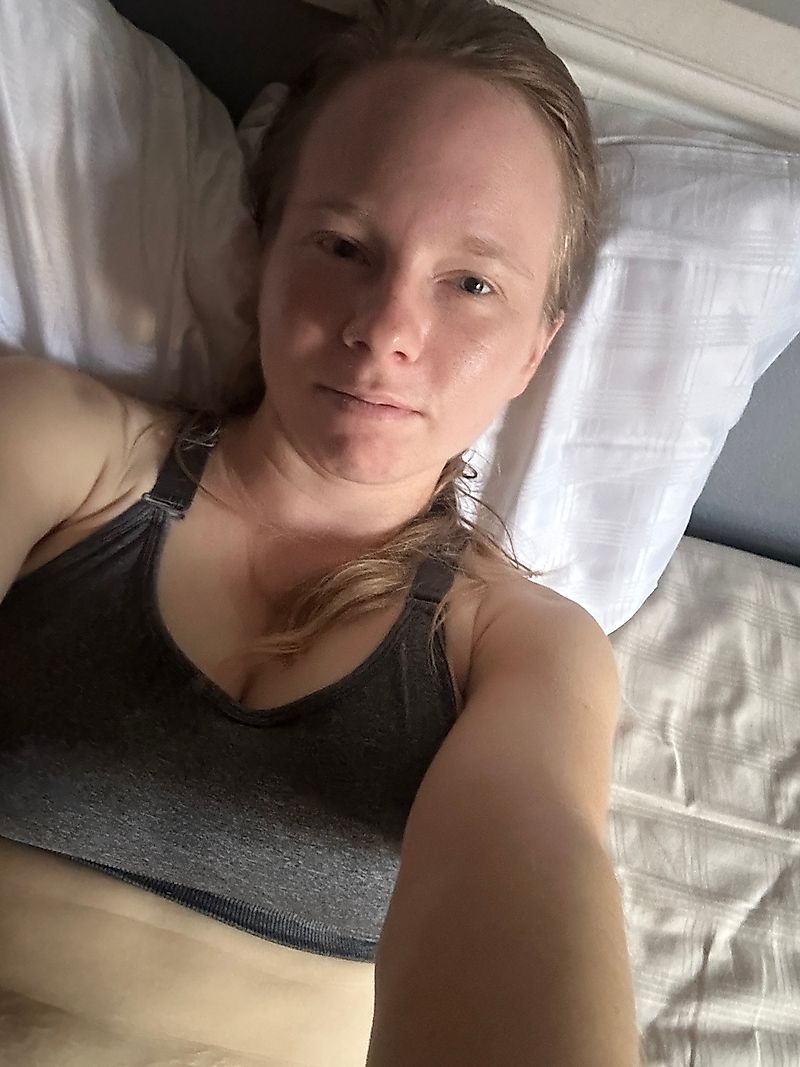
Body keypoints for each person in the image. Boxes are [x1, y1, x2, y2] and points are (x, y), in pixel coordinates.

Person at [0, 0, 640, 1063]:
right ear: (262, 255)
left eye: (471, 282)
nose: (386, 329)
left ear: (535, 350)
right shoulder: (53, 450)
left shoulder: (523, 649)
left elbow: (530, 872)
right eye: (343, 245)